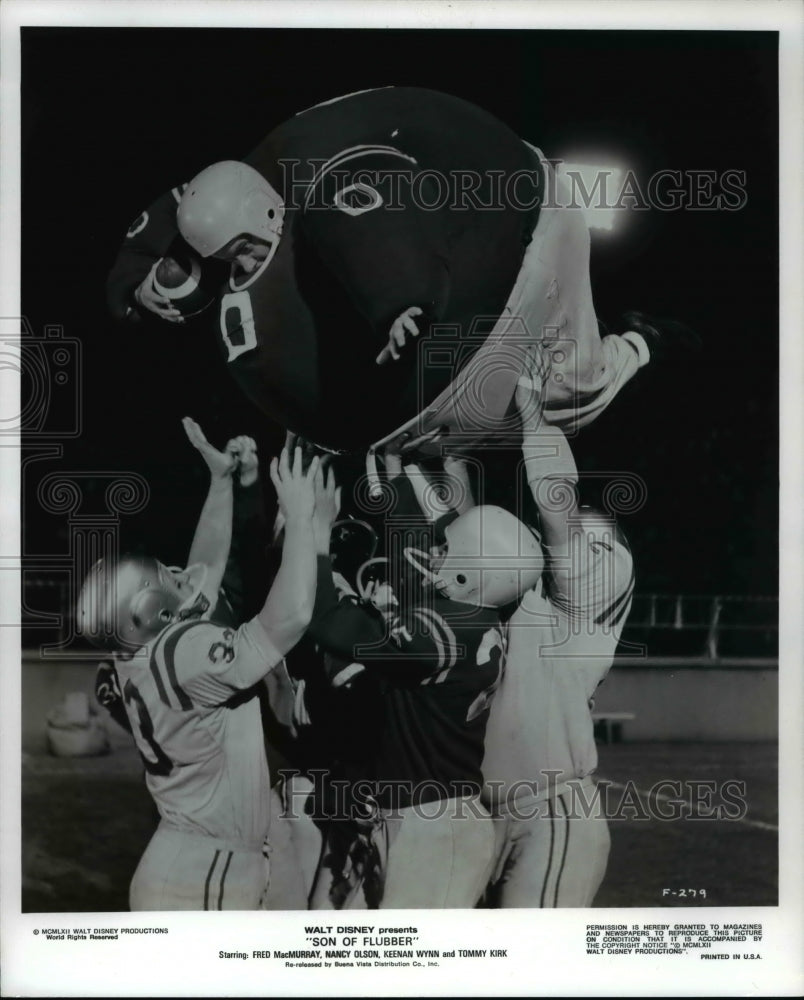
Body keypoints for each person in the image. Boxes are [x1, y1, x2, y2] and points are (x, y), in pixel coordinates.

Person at [107, 88, 687, 457]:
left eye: (244, 250)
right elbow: (182, 206)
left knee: (574, 393)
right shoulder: (244, 183)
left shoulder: (321, 190)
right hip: (478, 205)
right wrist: (131, 280)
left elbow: (356, 218)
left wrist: (399, 303)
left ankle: (642, 344)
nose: (244, 266)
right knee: (501, 428)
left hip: (530, 235)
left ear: (262, 211)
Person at [75, 438, 319, 910]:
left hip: (201, 856)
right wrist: (302, 519)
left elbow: (204, 568)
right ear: (154, 611)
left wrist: (221, 482)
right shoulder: (183, 654)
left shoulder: (143, 650)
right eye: (171, 576)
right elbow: (291, 616)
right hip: (203, 870)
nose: (184, 573)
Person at [303, 455, 544, 909]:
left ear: (470, 570)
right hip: (425, 816)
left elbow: (325, 621)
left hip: (432, 825)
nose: (436, 553)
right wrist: (402, 474)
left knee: (410, 953)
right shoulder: (477, 614)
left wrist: (314, 532)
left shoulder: (445, 633)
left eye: (447, 550)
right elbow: (444, 537)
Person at [479, 349, 635, 907]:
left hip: (550, 811)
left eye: (593, 538)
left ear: (616, 559)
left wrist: (534, 416)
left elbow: (557, 507)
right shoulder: (534, 606)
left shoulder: (589, 599)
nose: (570, 540)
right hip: (483, 814)